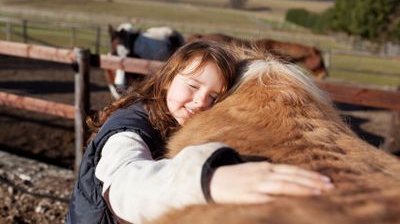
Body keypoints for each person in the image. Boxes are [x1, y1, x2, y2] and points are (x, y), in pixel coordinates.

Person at [66, 40, 334, 224]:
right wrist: (206, 182)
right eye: (193, 86)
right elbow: (126, 185)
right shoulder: (128, 129)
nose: (201, 102)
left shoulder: (175, 118)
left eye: (214, 96)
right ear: (168, 79)